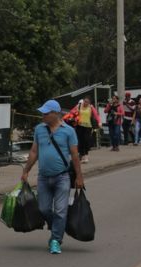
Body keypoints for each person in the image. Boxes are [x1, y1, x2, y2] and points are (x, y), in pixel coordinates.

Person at [21, 99, 84, 255]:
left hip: (62, 177)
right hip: (43, 177)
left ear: (56, 114)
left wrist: (79, 177)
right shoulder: (39, 130)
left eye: (46, 113)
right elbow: (34, 151)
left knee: (61, 211)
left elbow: (75, 155)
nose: (43, 115)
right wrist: (26, 170)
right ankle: (57, 226)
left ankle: (56, 240)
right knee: (43, 209)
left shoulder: (68, 131)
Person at [66, 97, 101, 163]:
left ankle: (86, 156)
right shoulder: (79, 106)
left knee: (86, 141)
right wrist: (70, 117)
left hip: (88, 127)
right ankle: (82, 156)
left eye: (87, 102)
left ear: (89, 103)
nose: (85, 103)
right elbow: (71, 112)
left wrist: (99, 122)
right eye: (85, 101)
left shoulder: (91, 107)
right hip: (79, 126)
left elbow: (96, 115)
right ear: (83, 101)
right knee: (80, 141)